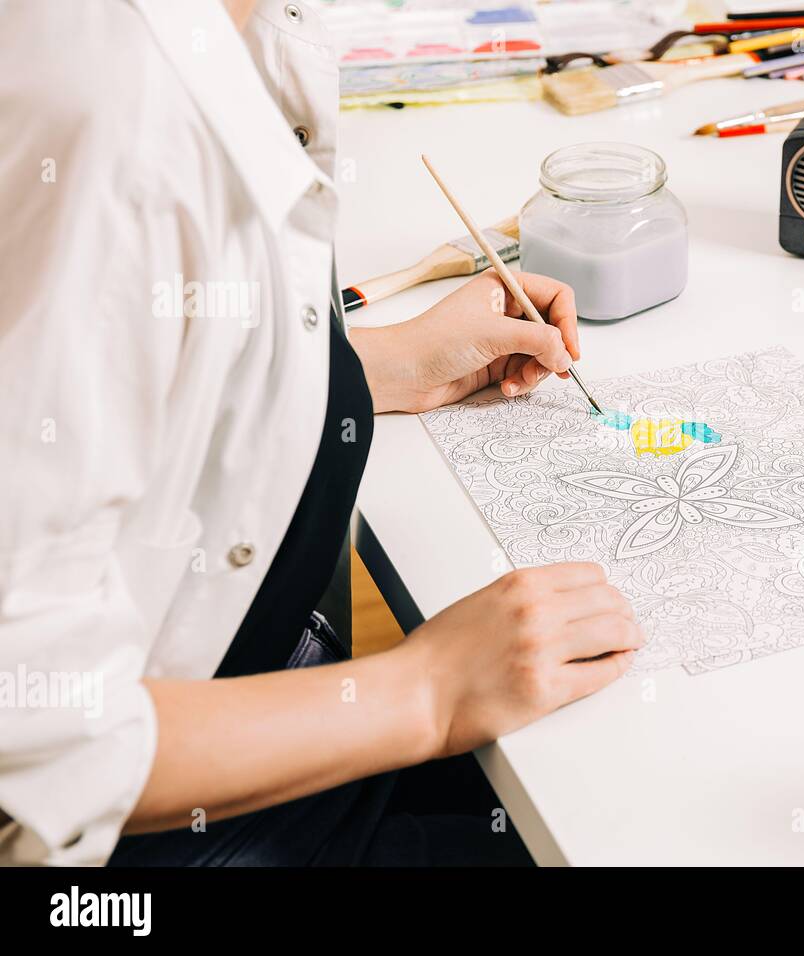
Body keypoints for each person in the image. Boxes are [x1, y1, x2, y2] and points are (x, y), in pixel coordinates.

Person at [0, 0, 643, 866]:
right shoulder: (113, 115)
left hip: (271, 711)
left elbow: (123, 370)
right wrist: (429, 693)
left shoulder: (228, 30)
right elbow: (40, 740)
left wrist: (367, 371)